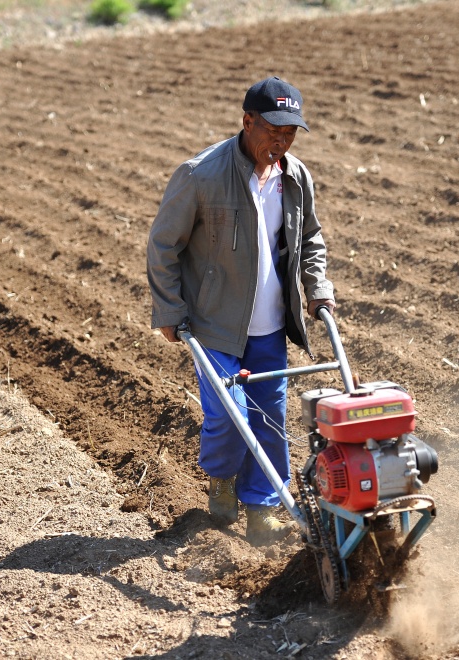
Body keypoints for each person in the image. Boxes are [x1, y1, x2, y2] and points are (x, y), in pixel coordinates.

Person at [146, 77, 336, 546]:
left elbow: (309, 238)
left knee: (270, 420)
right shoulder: (200, 175)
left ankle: (264, 510)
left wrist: (318, 289)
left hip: (270, 326)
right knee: (231, 416)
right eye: (273, 129)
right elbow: (163, 245)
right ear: (246, 120)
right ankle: (222, 476)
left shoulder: (296, 177)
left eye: (290, 132)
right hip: (214, 325)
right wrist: (170, 308)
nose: (281, 141)